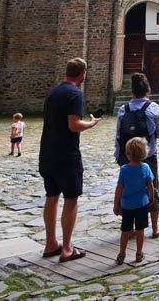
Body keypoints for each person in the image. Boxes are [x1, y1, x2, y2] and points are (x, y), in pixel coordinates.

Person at [38, 57, 102, 263]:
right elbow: (73, 125)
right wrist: (91, 124)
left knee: (51, 197)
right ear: (83, 74)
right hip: (67, 154)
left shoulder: (53, 92)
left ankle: (50, 244)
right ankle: (66, 248)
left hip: (47, 152)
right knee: (71, 199)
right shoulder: (75, 93)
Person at [115, 72, 159, 239]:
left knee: (127, 189)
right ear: (147, 89)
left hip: (127, 157)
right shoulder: (154, 108)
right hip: (148, 156)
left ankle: (129, 227)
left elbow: (118, 135)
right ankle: (155, 226)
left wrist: (119, 155)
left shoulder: (124, 110)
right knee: (152, 188)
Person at [113, 136, 155, 265]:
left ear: (128, 153)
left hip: (127, 205)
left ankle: (122, 253)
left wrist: (116, 204)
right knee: (140, 230)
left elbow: (119, 188)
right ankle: (138, 252)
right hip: (142, 203)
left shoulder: (124, 169)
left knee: (125, 230)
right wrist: (152, 198)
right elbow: (150, 185)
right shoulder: (146, 168)